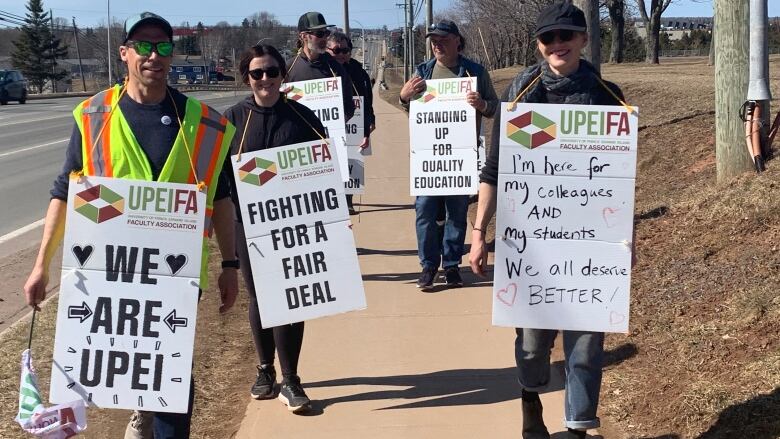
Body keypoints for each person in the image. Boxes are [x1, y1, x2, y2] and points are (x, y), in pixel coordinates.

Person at [22, 12, 238, 439]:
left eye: (161, 46)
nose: (152, 55)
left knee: (169, 367)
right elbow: (65, 191)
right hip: (108, 271)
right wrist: (40, 264)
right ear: (124, 54)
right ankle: (140, 406)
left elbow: (222, 198)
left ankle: (158, 418)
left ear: (171, 55)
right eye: (142, 46)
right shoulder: (93, 116)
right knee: (113, 362)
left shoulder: (203, 123)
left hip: (175, 274)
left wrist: (229, 265)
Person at [468, 3, 631, 438]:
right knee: (534, 344)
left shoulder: (608, 97)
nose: (557, 44)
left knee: (585, 347)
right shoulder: (520, 98)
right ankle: (529, 398)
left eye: (566, 35)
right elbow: (494, 171)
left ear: (582, 39)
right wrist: (479, 233)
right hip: (533, 247)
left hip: (590, 249)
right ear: (538, 45)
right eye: (548, 38)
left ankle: (577, 427)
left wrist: (623, 241)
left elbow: (620, 180)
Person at [222, 44, 328, 414]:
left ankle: (291, 378)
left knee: (291, 297)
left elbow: (326, 174)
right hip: (246, 224)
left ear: (282, 74)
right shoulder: (232, 120)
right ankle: (264, 370)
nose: (265, 79)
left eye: (271, 71)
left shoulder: (303, 117)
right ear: (246, 77)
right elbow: (219, 180)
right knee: (259, 297)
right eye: (257, 73)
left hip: (294, 223)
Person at [398, 20, 498, 291]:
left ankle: (452, 265)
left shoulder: (475, 72)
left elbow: (496, 109)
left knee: (456, 212)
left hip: (461, 157)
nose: (436, 44)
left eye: (442, 38)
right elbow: (412, 112)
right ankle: (428, 266)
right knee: (425, 211)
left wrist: (483, 104)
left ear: (457, 40)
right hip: (429, 158)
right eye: (433, 39)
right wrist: (404, 97)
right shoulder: (423, 72)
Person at [326, 31, 376, 215]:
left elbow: (367, 96)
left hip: (353, 124)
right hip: (326, 125)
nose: (341, 55)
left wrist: (370, 120)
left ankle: (348, 201)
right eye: (337, 50)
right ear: (327, 49)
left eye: (346, 50)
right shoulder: (320, 68)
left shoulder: (357, 70)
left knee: (352, 163)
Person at [287, 11, 355, 120]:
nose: (324, 38)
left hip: (328, 136)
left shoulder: (335, 67)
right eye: (319, 34)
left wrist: (336, 125)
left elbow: (349, 106)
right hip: (299, 135)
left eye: (326, 33)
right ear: (304, 36)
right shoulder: (288, 68)